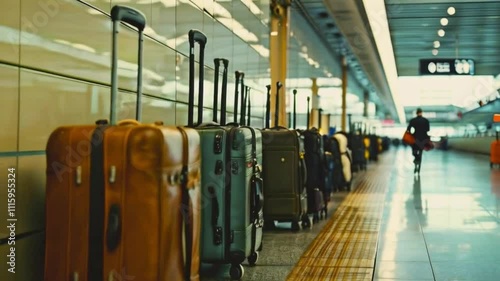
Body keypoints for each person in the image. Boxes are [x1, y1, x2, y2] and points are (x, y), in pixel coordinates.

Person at [406, 108, 430, 173]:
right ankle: (418, 168)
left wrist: (411, 134)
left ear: (416, 113)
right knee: (420, 153)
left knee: (414, 152)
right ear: (421, 112)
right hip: (423, 139)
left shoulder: (413, 120)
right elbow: (428, 130)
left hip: (415, 138)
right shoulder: (426, 120)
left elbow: (408, 129)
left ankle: (416, 159)